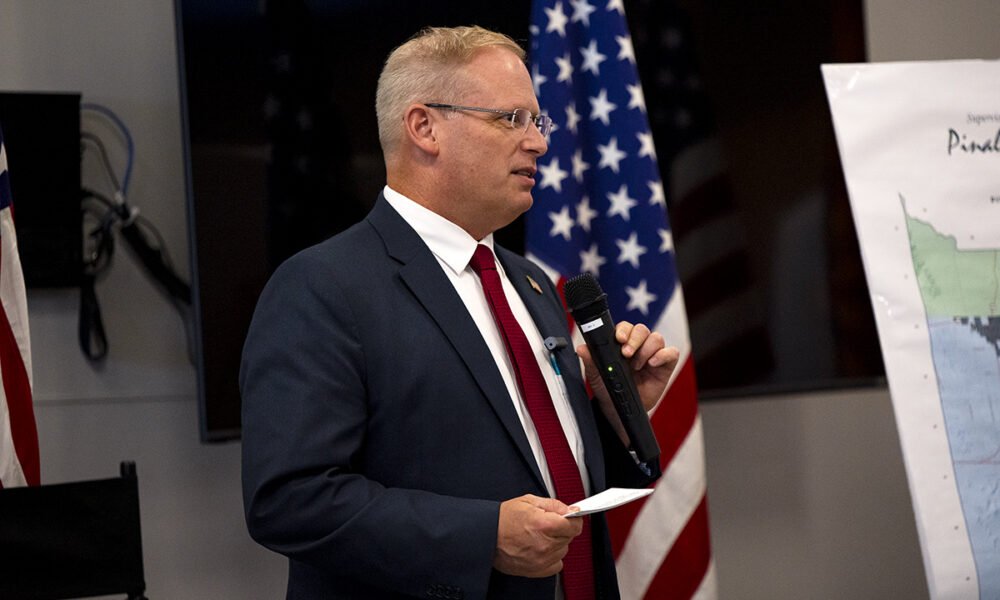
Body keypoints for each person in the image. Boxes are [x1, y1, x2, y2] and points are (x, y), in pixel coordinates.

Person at [240, 25, 680, 600]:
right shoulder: (323, 286)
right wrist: (482, 536)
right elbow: (288, 499)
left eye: (537, 121)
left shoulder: (531, 283)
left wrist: (613, 417)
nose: (540, 143)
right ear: (424, 128)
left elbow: (538, 469)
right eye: (511, 120)